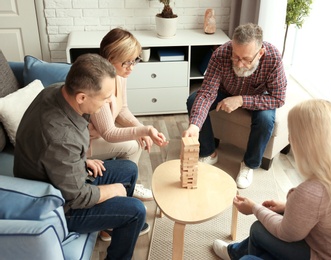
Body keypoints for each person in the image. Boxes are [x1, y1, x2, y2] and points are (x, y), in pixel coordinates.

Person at [212, 99, 331, 260]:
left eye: (292, 133)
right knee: (262, 229)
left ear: (308, 142)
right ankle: (237, 252)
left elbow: (286, 234)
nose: (289, 138)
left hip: (329, 255)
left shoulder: (314, 191)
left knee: (256, 238)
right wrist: (289, 207)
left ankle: (240, 255)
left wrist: (254, 208)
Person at [14, 53, 147, 260]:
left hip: (59, 174)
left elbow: (52, 154)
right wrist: (113, 190)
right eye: (105, 99)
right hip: (58, 203)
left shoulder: (55, 91)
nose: (108, 103)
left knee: (129, 170)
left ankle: (112, 224)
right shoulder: (61, 138)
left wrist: (81, 161)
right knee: (136, 210)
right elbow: (77, 197)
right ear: (82, 97)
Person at [183, 23, 287, 189]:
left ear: (260, 53)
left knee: (266, 119)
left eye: (246, 59)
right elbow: (207, 92)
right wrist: (195, 125)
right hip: (225, 91)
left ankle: (249, 164)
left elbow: (279, 98)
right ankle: (209, 152)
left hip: (259, 97)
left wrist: (241, 100)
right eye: (236, 56)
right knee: (193, 100)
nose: (239, 64)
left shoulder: (273, 57)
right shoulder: (220, 54)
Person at [88, 27, 168, 202]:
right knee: (133, 144)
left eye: (135, 61)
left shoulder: (120, 76)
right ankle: (123, 189)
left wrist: (139, 128)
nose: (131, 67)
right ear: (110, 60)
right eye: (127, 62)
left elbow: (122, 109)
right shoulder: (99, 85)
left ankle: (126, 183)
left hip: (98, 136)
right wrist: (144, 130)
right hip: (85, 144)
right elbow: (108, 133)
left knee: (137, 138)